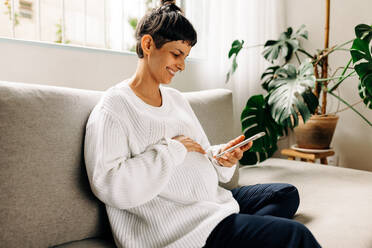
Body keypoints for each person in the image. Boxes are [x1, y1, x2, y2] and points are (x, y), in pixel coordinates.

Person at [84, 1, 321, 247]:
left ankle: (231, 235)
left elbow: (200, 150)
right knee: (295, 235)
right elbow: (109, 184)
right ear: (148, 44)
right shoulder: (114, 107)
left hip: (209, 204)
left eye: (185, 57)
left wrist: (220, 156)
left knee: (285, 195)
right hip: (178, 223)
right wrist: (171, 149)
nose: (182, 65)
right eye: (176, 54)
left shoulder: (176, 99)